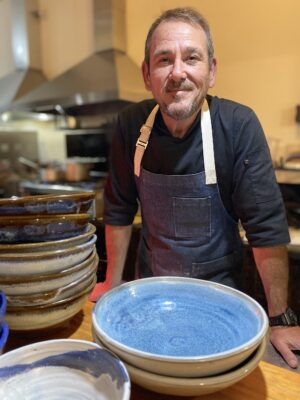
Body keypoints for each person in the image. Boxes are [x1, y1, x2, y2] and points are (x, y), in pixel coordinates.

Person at [90, 7, 300, 368]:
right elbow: (120, 208)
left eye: (191, 58)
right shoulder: (130, 125)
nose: (178, 73)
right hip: (148, 303)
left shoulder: (238, 126)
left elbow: (266, 228)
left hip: (224, 307)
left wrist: (280, 318)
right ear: (146, 74)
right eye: (163, 60)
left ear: (212, 71)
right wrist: (112, 282)